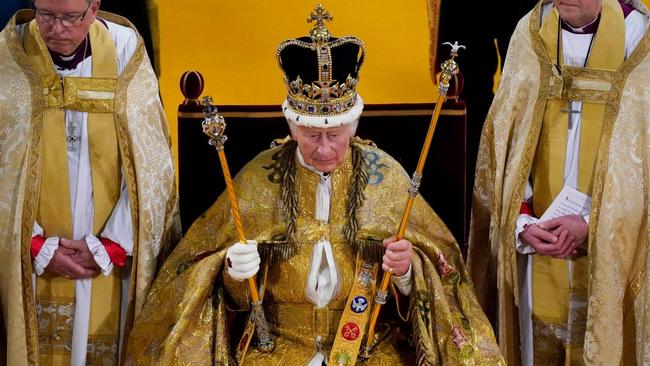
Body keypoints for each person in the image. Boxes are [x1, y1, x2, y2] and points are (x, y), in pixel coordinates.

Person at [125, 5, 503, 365]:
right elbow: (200, 275)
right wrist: (231, 273)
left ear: (353, 127)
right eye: (309, 135)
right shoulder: (258, 178)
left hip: (371, 348)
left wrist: (406, 272)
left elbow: (442, 269)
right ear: (292, 127)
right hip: (275, 349)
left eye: (335, 135)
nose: (324, 148)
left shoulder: (385, 177)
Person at [467, 0, 650, 364]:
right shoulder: (532, 31)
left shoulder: (639, 39)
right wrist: (520, 221)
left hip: (611, 243)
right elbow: (506, 140)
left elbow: (640, 154)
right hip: (537, 245)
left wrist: (592, 222)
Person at [0, 0, 180, 364]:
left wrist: (114, 243)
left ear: (94, 7)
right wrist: (34, 243)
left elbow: (151, 159)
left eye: (70, 17)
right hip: (29, 255)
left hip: (110, 250)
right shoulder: (9, 53)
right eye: (46, 14)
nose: (57, 28)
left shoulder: (125, 49)